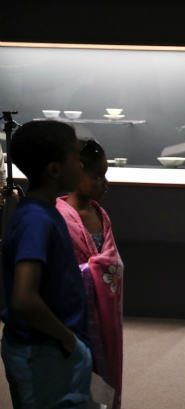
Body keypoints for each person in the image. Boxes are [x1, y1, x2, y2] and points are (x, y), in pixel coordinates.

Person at [1, 120, 92, 408]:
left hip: (50, 345)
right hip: (41, 350)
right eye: (76, 158)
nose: (81, 165)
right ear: (54, 170)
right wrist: (68, 339)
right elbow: (24, 298)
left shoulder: (45, 212)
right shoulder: (36, 220)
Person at [56, 139, 124, 409]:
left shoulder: (101, 214)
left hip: (105, 314)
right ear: (76, 172)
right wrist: (94, 270)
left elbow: (110, 259)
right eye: (97, 176)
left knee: (102, 373)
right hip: (73, 316)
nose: (104, 183)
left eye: (105, 175)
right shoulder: (59, 216)